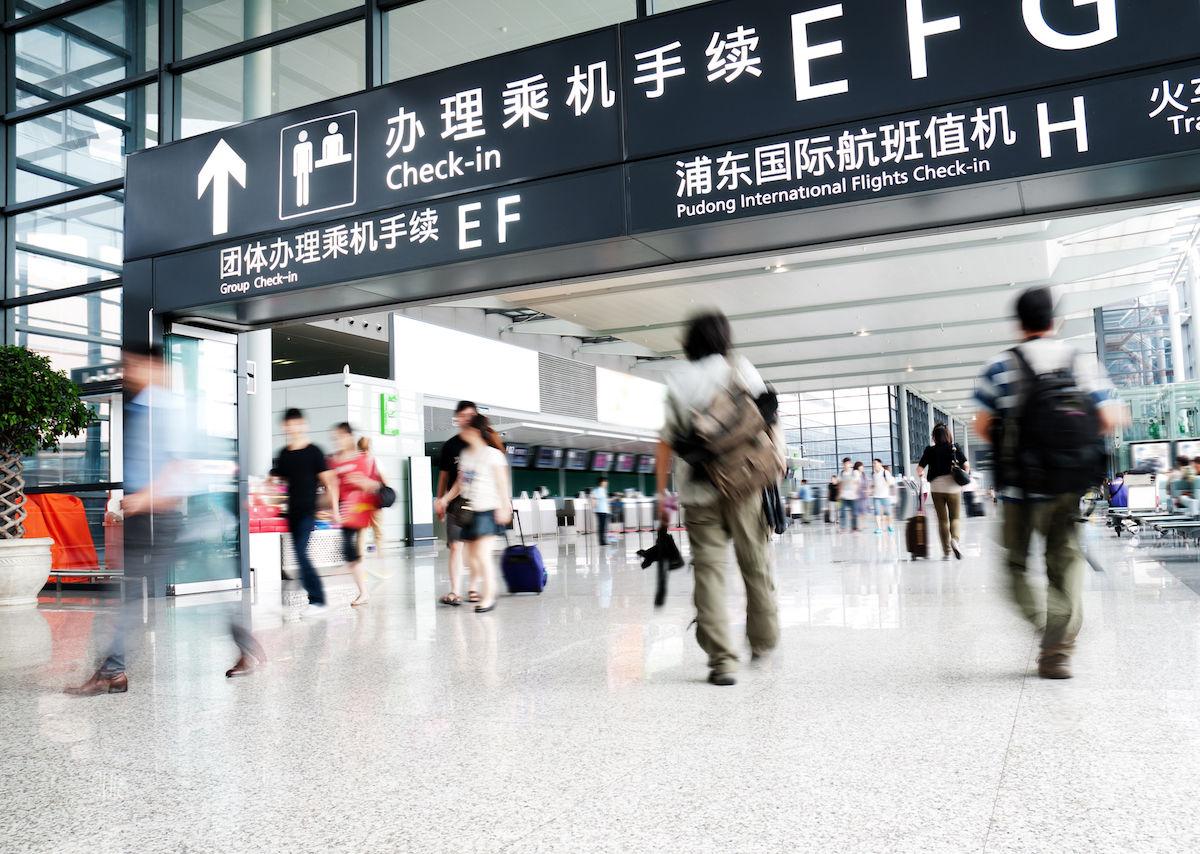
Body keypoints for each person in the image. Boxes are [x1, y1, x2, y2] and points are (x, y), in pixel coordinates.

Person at [974, 285, 1120, 680]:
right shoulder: (1080, 363)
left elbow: (983, 427)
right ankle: (1058, 646)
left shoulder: (1000, 367)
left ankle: (1048, 622)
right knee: (1066, 561)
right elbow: (1109, 420)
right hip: (1069, 488)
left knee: (1015, 566)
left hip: (1020, 492)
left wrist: (1021, 444)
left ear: (1018, 324)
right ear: (1055, 321)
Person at [656, 311, 783, 687]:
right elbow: (767, 417)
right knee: (755, 566)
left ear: (688, 341)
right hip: (745, 484)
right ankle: (762, 641)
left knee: (708, 574)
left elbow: (666, 442)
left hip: (699, 490)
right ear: (724, 338)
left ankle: (721, 661)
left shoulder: (677, 380)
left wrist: (661, 493)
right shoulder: (739, 366)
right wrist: (776, 460)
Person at [435, 414, 512, 614]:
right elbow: (461, 483)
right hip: (469, 511)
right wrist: (445, 499)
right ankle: (485, 591)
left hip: (488, 510)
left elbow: (503, 484)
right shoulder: (467, 455)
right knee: (471, 558)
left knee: (482, 555)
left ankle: (488, 596)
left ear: (475, 431)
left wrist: (505, 506)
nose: (462, 433)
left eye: (465, 429)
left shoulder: (493, 455)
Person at [273, 409, 339, 618]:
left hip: (307, 512)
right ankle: (315, 599)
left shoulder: (314, 452)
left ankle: (318, 600)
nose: (292, 428)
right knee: (300, 556)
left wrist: (334, 510)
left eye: (296, 423)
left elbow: (330, 482)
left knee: (301, 555)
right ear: (284, 427)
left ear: (304, 425)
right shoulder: (284, 454)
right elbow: (277, 482)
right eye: (288, 424)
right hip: (291, 513)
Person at [329, 423, 382, 607]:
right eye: (335, 438)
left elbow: (375, 485)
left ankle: (363, 588)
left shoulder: (363, 459)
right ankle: (362, 585)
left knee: (350, 547)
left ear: (349, 437)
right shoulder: (334, 461)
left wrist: (363, 483)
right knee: (348, 548)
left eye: (341, 437)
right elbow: (333, 487)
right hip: (345, 508)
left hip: (360, 508)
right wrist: (335, 510)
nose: (338, 441)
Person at [436, 401, 477, 606]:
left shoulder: (481, 444)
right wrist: (440, 500)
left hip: (478, 501)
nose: (467, 419)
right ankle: (455, 590)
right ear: (457, 418)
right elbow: (444, 476)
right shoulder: (450, 445)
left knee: (474, 547)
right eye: (463, 415)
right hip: (455, 503)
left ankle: (474, 588)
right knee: (455, 546)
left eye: (471, 415)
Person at [917, 424, 969, 560]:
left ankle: (946, 552)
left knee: (942, 520)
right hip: (953, 487)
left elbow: (919, 469)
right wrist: (964, 476)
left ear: (934, 437)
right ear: (948, 435)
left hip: (936, 487)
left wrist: (922, 477)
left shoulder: (929, 450)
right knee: (955, 518)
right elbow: (966, 465)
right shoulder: (955, 447)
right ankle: (955, 541)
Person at [356, 435, 385, 555]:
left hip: (362, 501)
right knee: (378, 531)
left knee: (362, 531)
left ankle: (361, 558)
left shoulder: (356, 463)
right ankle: (380, 556)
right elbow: (385, 482)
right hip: (374, 500)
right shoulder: (376, 462)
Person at [871, 459, 895, 533]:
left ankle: (890, 526)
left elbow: (891, 482)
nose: (874, 465)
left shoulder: (885, 472)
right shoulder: (874, 474)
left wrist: (886, 485)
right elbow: (874, 484)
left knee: (888, 513)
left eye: (875, 463)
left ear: (880, 464)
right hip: (876, 496)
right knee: (877, 512)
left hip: (885, 496)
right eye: (873, 463)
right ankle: (879, 528)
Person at [838, 458, 861, 531]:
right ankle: (843, 527)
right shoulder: (841, 473)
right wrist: (839, 494)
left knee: (854, 513)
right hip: (843, 496)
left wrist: (856, 492)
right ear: (843, 465)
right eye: (844, 464)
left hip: (853, 496)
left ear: (850, 464)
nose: (846, 465)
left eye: (847, 464)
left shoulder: (855, 472)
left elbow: (858, 483)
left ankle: (854, 527)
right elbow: (840, 484)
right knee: (842, 512)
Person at [593, 476, 611, 544]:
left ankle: (602, 540)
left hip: (603, 510)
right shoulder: (599, 490)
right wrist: (595, 506)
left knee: (603, 526)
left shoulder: (602, 490)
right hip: (601, 510)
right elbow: (594, 498)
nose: (607, 483)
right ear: (602, 482)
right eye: (605, 482)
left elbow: (604, 500)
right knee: (602, 526)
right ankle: (602, 541)